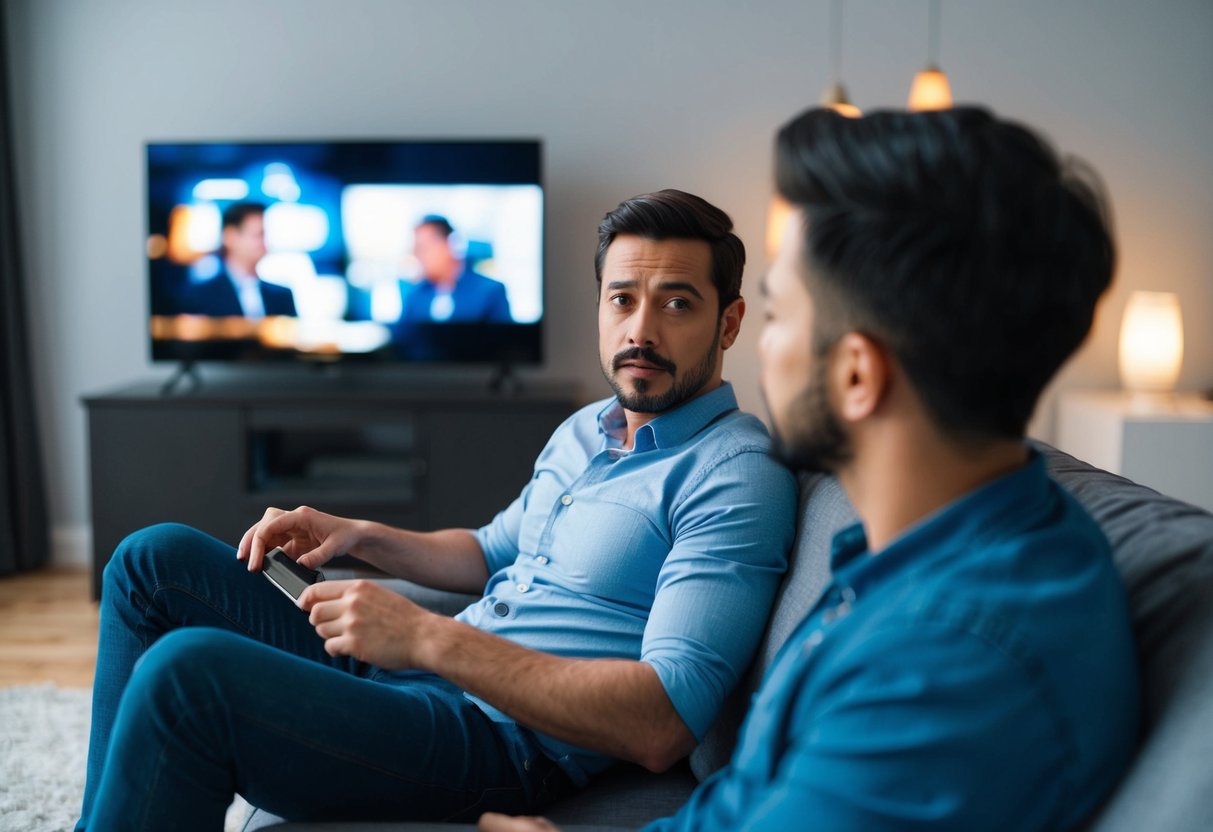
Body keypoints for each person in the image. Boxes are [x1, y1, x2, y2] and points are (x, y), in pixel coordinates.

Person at [480, 108, 1141, 832]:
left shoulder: (940, 666)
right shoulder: (925, 546)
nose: (760, 349)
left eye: (775, 315)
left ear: (856, 374)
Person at [75, 189, 797, 829]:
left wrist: (426, 639)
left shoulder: (733, 472)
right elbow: (489, 550)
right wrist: (356, 533)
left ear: (728, 323)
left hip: (494, 742)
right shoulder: (587, 427)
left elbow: (663, 723)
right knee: (150, 559)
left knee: (188, 673)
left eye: (676, 303)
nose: (641, 330)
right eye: (621, 299)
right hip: (412, 682)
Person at [181, 201, 297, 318]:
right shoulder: (200, 296)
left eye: (265, 235)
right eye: (258, 235)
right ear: (230, 236)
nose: (264, 243)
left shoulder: (282, 296)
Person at [399, 215, 512, 323]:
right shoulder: (414, 296)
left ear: (449, 244)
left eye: (422, 248)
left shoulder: (489, 292)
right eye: (415, 250)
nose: (418, 256)